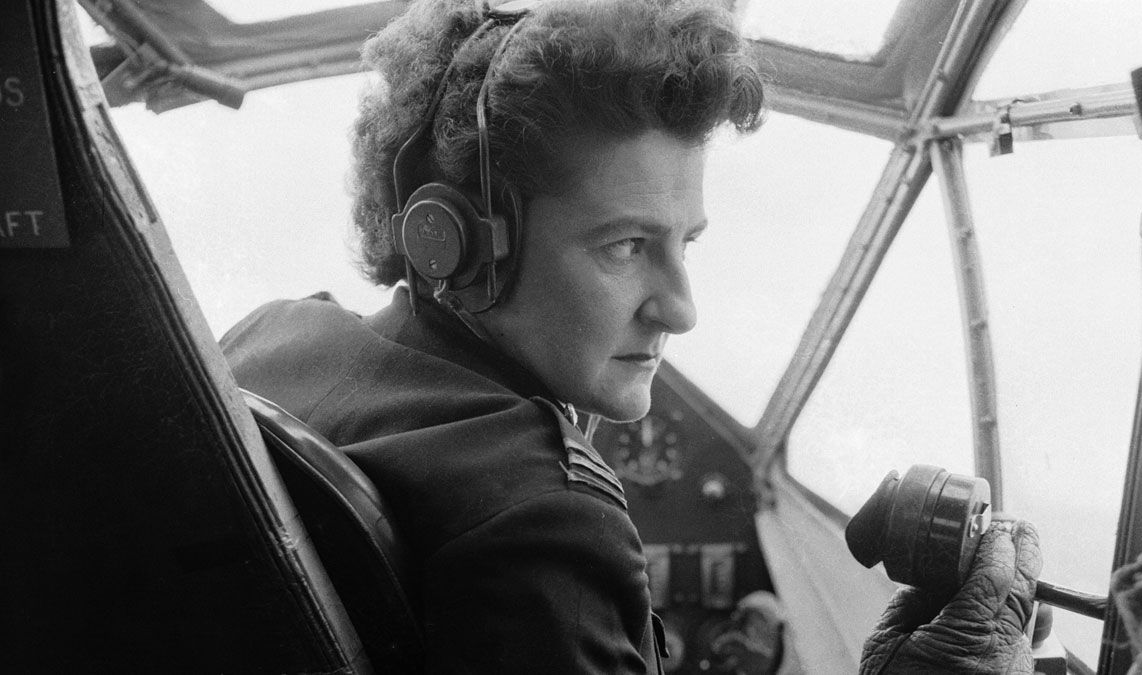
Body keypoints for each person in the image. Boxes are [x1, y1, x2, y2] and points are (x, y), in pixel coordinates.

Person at [221, 0, 1042, 672]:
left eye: (686, 242)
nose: (680, 308)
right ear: (455, 240)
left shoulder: (269, 340)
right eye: (625, 245)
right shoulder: (547, 517)